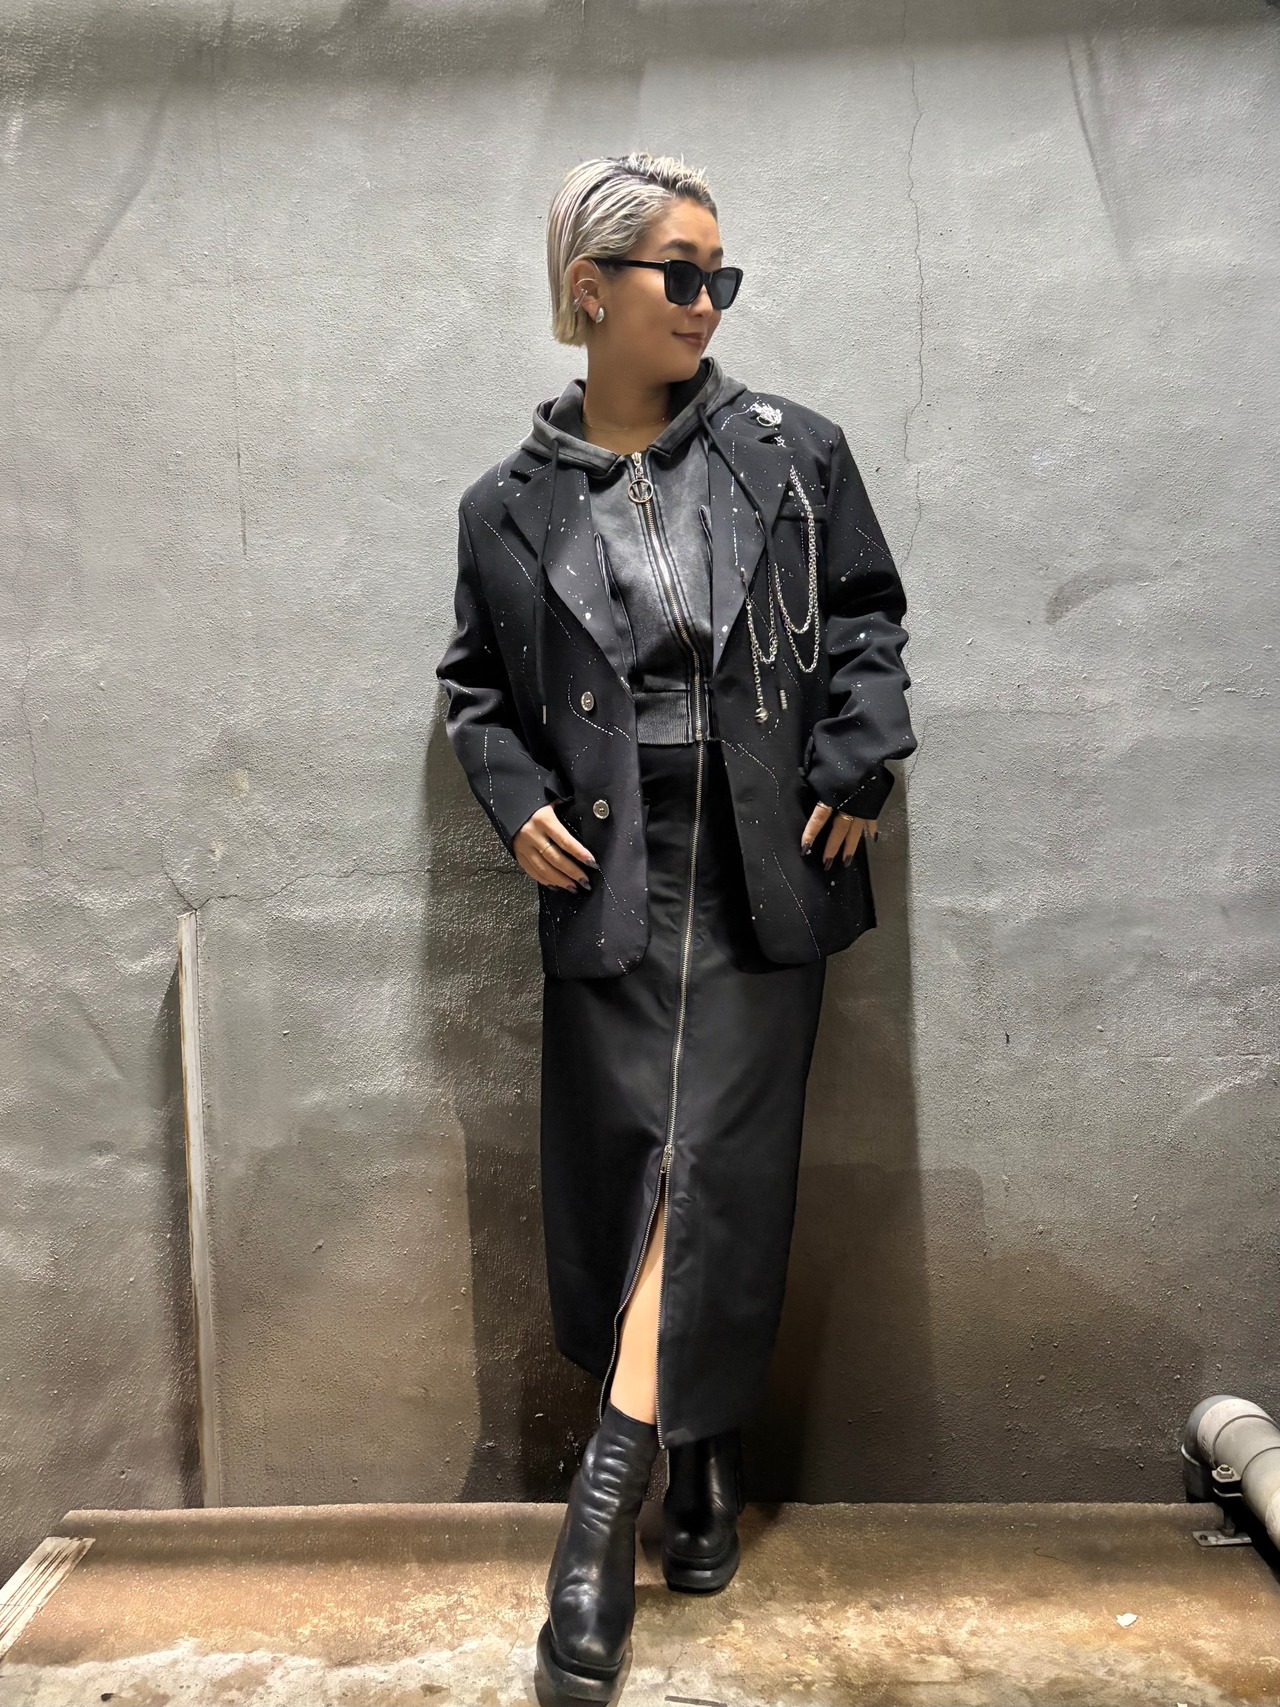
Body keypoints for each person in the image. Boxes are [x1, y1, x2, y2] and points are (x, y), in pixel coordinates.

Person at [436, 150, 918, 1702]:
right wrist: (514, 798)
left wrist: (861, 755)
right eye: (682, 273)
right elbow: (475, 691)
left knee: (712, 1162)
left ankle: (608, 1500)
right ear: (592, 291)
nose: (711, 301)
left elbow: (867, 617)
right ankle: (698, 1456)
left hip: (761, 863)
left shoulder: (795, 453)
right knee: (641, 1165)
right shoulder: (505, 508)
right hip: (613, 874)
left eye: (724, 275)